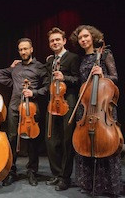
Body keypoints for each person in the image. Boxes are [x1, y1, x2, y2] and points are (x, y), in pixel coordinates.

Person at [69, 25, 122, 196]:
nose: (83, 40)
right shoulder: (81, 58)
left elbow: (115, 77)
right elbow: (80, 81)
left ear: (93, 37)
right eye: (80, 38)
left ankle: (108, 186)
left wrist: (102, 74)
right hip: (86, 107)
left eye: (86, 36)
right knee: (85, 144)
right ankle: (88, 183)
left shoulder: (105, 54)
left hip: (102, 105)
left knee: (105, 144)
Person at [1, 38, 49, 186]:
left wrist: (34, 92)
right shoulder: (15, 67)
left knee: (32, 140)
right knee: (12, 138)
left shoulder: (40, 67)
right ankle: (11, 171)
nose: (23, 52)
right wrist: (11, 76)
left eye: (25, 49)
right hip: (14, 107)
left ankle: (32, 172)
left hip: (31, 109)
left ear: (31, 49)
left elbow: (47, 88)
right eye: (21, 49)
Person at [44, 27, 80, 191]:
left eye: (57, 39)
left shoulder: (73, 57)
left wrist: (64, 77)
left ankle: (65, 178)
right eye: (52, 40)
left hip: (68, 102)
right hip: (52, 103)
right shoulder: (50, 60)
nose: (55, 42)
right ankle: (56, 174)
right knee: (51, 140)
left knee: (66, 141)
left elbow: (78, 79)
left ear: (64, 41)